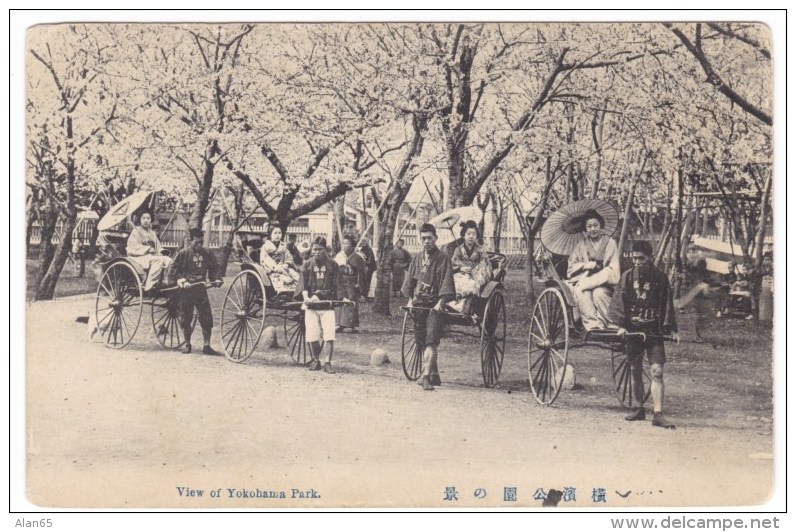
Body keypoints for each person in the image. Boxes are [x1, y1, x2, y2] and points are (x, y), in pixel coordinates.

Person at [607, 241, 679, 429]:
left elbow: (667, 304)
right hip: (633, 328)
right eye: (634, 258)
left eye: (641, 258)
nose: (637, 262)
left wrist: (671, 328)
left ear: (650, 258)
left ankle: (658, 413)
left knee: (657, 370)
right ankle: (639, 408)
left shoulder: (660, 278)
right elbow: (619, 300)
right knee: (635, 369)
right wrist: (621, 325)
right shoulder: (627, 277)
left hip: (653, 329)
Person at [402, 223, 456, 391]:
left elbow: (446, 282)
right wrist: (410, 300)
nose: (426, 241)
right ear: (420, 239)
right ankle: (434, 373)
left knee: (431, 340)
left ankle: (426, 376)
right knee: (421, 340)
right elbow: (409, 283)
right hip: (419, 304)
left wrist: (441, 303)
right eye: (423, 238)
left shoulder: (443, 258)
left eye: (429, 238)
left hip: (434, 306)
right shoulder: (417, 259)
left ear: (435, 239)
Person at [168, 227, 223, 355]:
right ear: (190, 240)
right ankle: (187, 344)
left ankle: (207, 346)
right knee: (186, 318)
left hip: (201, 289)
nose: (199, 245)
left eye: (201, 242)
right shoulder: (183, 253)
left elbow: (214, 268)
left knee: (206, 317)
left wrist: (216, 279)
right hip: (186, 290)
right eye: (196, 242)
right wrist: (182, 281)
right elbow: (173, 270)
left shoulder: (207, 253)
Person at [296, 236, 346, 373]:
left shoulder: (333, 265)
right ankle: (316, 360)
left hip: (327, 303)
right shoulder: (307, 264)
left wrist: (343, 298)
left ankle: (328, 362)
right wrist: (306, 297)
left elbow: (339, 284)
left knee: (329, 334)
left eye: (320, 249)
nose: (317, 252)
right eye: (314, 249)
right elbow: (302, 284)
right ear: (311, 250)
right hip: (311, 304)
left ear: (326, 250)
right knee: (312, 333)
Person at [566, 209, 620, 330]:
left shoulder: (610, 243)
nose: (593, 229)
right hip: (586, 276)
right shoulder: (581, 244)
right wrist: (585, 265)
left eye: (595, 225)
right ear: (585, 228)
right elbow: (571, 266)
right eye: (589, 226)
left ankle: (610, 323)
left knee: (598, 293)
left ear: (601, 226)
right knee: (584, 292)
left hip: (604, 281)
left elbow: (613, 268)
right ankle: (593, 325)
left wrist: (598, 272)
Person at [449, 220, 492, 317]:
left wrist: (475, 271)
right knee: (455, 283)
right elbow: (453, 265)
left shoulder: (480, 250)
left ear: (477, 236)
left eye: (474, 234)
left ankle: (467, 307)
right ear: (463, 235)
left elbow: (485, 265)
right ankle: (455, 305)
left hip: (477, 274)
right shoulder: (458, 250)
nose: (471, 236)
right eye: (468, 234)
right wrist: (461, 268)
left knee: (473, 285)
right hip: (462, 274)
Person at [126, 210, 173, 291]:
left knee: (169, 260)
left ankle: (165, 282)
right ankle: (150, 284)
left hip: (150, 256)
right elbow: (132, 245)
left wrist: (161, 252)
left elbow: (158, 246)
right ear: (140, 220)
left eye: (148, 218)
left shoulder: (151, 233)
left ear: (151, 220)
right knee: (158, 260)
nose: (145, 220)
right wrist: (147, 249)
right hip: (139, 256)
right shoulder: (136, 231)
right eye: (143, 218)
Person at [335, 235, 366, 332]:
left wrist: (360, 286)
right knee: (340, 302)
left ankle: (351, 325)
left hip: (352, 283)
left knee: (351, 302)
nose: (344, 245)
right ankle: (339, 324)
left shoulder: (358, 257)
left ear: (352, 245)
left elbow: (361, 274)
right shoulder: (339, 256)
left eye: (347, 243)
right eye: (343, 243)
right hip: (341, 282)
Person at [260, 226, 299, 294]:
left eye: (279, 233)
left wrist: (286, 264)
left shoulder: (283, 246)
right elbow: (265, 259)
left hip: (284, 267)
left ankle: (297, 292)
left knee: (296, 276)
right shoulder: (265, 246)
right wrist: (277, 268)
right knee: (278, 278)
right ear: (270, 234)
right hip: (271, 269)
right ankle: (282, 294)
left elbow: (289, 257)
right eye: (275, 233)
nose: (277, 235)